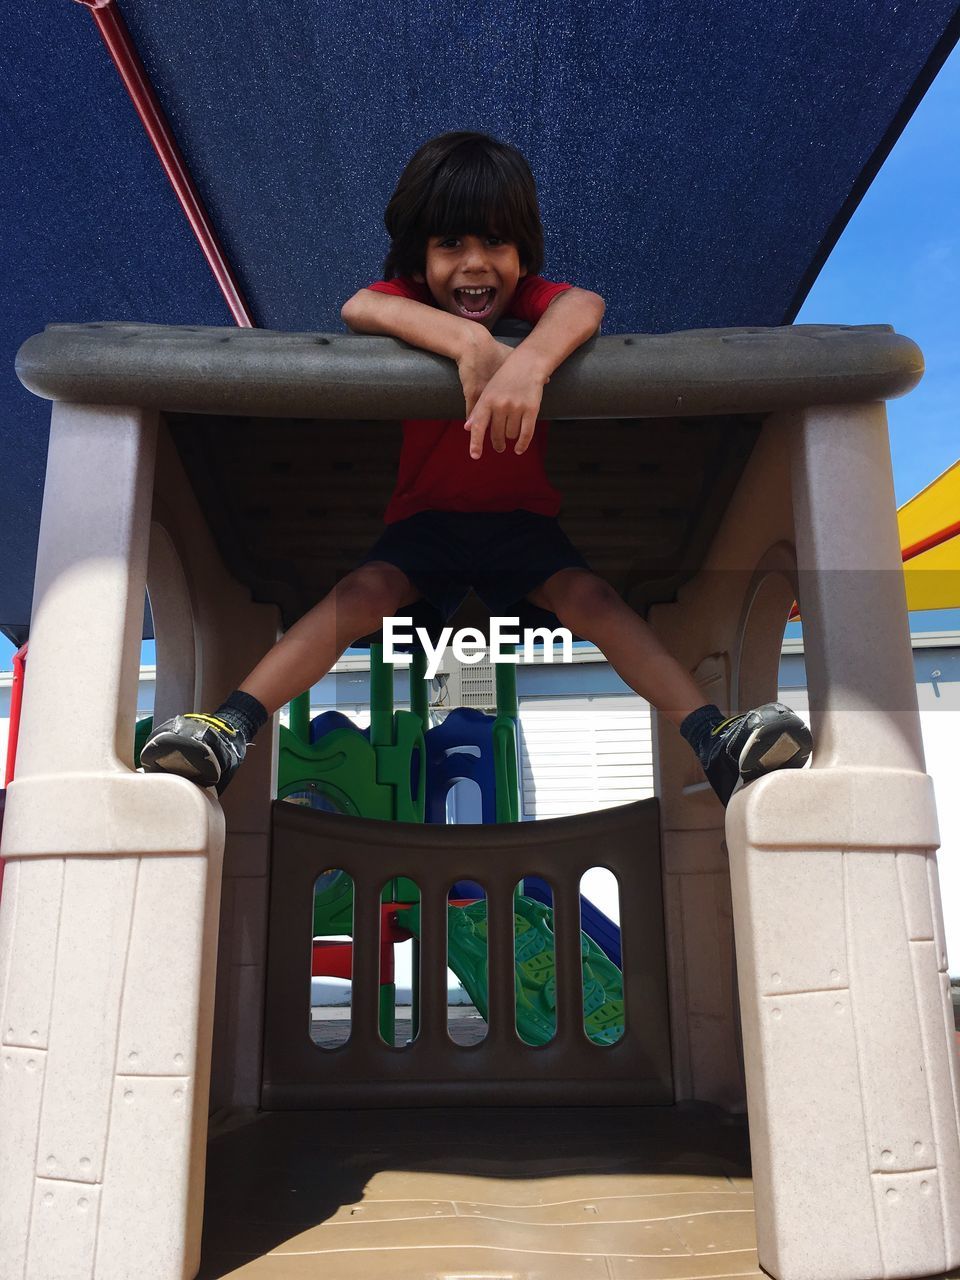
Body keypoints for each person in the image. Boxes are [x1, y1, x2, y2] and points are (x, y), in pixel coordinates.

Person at [141, 131, 811, 804]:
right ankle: (229, 726)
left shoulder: (531, 308)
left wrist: (528, 362)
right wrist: (467, 341)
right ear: (419, 255)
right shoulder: (403, 300)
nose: (476, 264)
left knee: (594, 601)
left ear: (522, 254)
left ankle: (712, 737)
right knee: (361, 595)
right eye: (451, 245)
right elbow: (359, 307)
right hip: (426, 523)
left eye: (496, 243)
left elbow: (585, 306)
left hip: (519, 524)